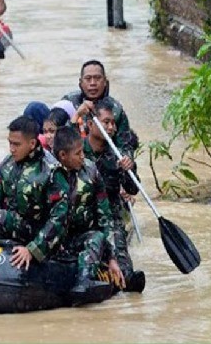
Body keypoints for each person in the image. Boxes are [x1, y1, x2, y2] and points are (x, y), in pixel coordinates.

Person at [0, 116, 69, 271]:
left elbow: (59, 217)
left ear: (32, 143)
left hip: (39, 233)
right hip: (12, 226)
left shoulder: (51, 171)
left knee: (1, 218)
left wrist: (32, 250)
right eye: (10, 143)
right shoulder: (8, 163)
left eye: (16, 144)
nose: (11, 149)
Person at [52, 126, 122, 298]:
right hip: (50, 238)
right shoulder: (47, 173)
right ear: (62, 155)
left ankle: (84, 282)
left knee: (96, 237)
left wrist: (112, 257)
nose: (83, 157)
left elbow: (104, 215)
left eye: (83, 151)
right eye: (78, 153)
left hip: (79, 237)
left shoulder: (91, 171)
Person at [83, 100, 144, 291]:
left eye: (113, 123)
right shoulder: (76, 150)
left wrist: (129, 169)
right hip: (80, 214)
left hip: (110, 217)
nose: (111, 127)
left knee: (121, 261)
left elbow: (133, 189)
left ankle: (124, 278)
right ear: (91, 124)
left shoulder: (118, 155)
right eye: (106, 122)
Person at [64, 60, 136, 156]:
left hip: (105, 161)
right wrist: (77, 115)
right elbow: (57, 138)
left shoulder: (116, 109)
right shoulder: (68, 103)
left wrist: (126, 159)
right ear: (81, 83)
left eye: (97, 78)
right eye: (88, 79)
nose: (93, 83)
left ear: (105, 82)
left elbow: (125, 146)